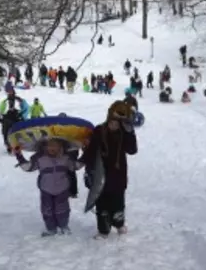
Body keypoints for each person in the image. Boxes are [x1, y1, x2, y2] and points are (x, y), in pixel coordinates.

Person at [80, 101, 138, 238]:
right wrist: (81, 162)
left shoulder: (124, 133)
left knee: (118, 203)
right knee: (102, 205)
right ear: (108, 117)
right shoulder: (99, 130)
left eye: (118, 122)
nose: (115, 124)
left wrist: (130, 132)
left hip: (118, 176)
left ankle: (119, 224)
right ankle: (103, 229)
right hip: (101, 175)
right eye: (113, 121)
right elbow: (91, 150)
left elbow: (132, 150)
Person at [16, 138, 81, 236]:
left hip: (62, 188)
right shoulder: (39, 158)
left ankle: (64, 226)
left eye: (55, 145)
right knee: (47, 210)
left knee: (62, 209)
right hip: (46, 189)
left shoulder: (66, 158)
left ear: (61, 146)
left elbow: (76, 166)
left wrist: (87, 152)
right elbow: (28, 167)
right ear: (45, 146)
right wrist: (19, 155)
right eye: (49, 145)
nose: (52, 148)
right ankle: (51, 228)